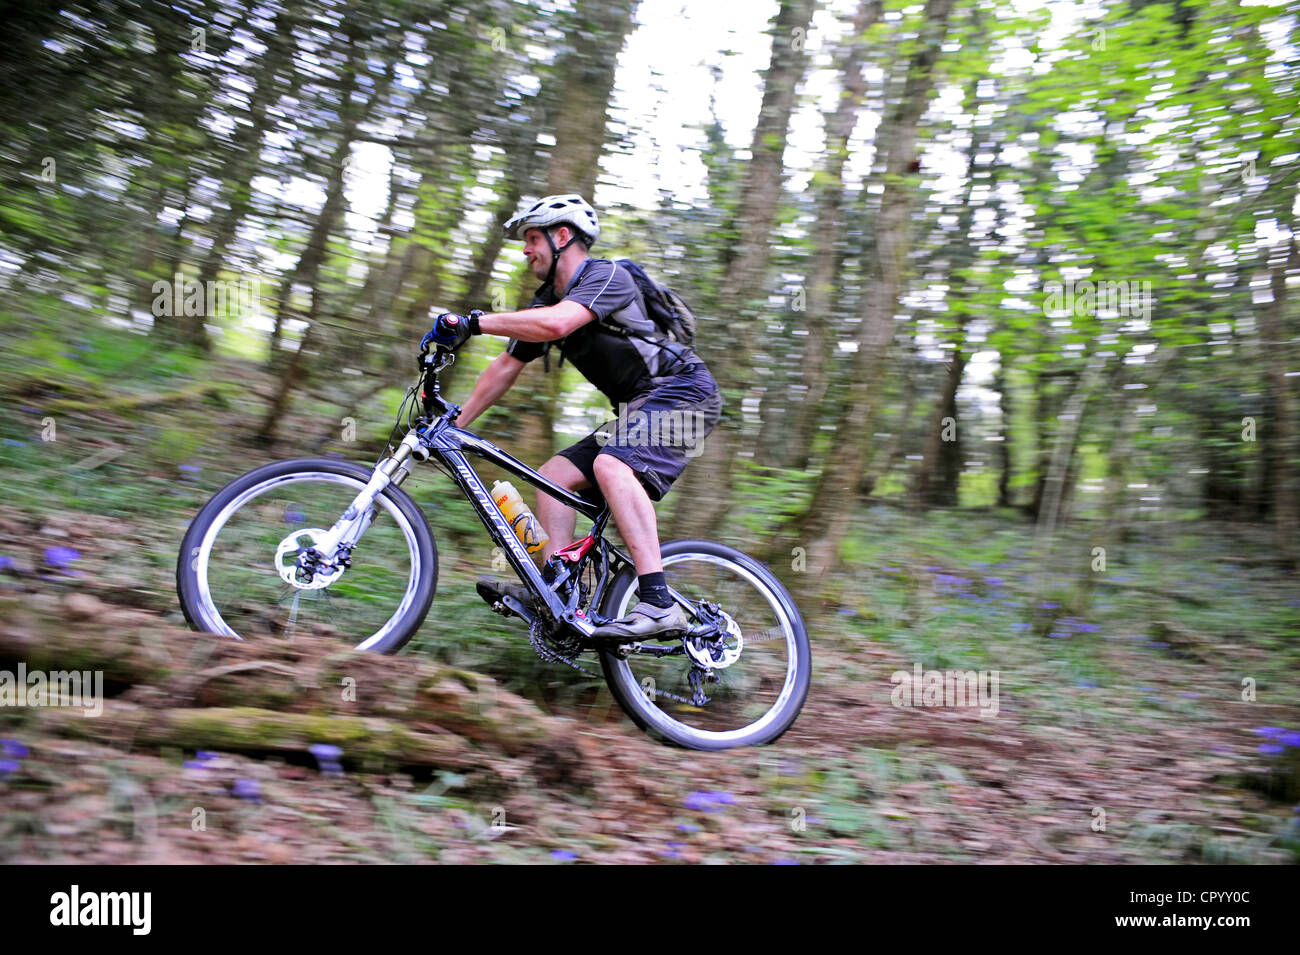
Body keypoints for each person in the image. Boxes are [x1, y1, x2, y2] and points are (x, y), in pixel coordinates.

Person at [424, 193, 722, 641]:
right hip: (639, 408)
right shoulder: (547, 301)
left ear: (562, 236)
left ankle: (659, 603)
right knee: (554, 478)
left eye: (532, 239)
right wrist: (451, 425)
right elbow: (505, 368)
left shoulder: (607, 277)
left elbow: (557, 325)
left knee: (611, 464)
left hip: (686, 393)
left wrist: (474, 322)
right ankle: (559, 594)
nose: (526, 250)